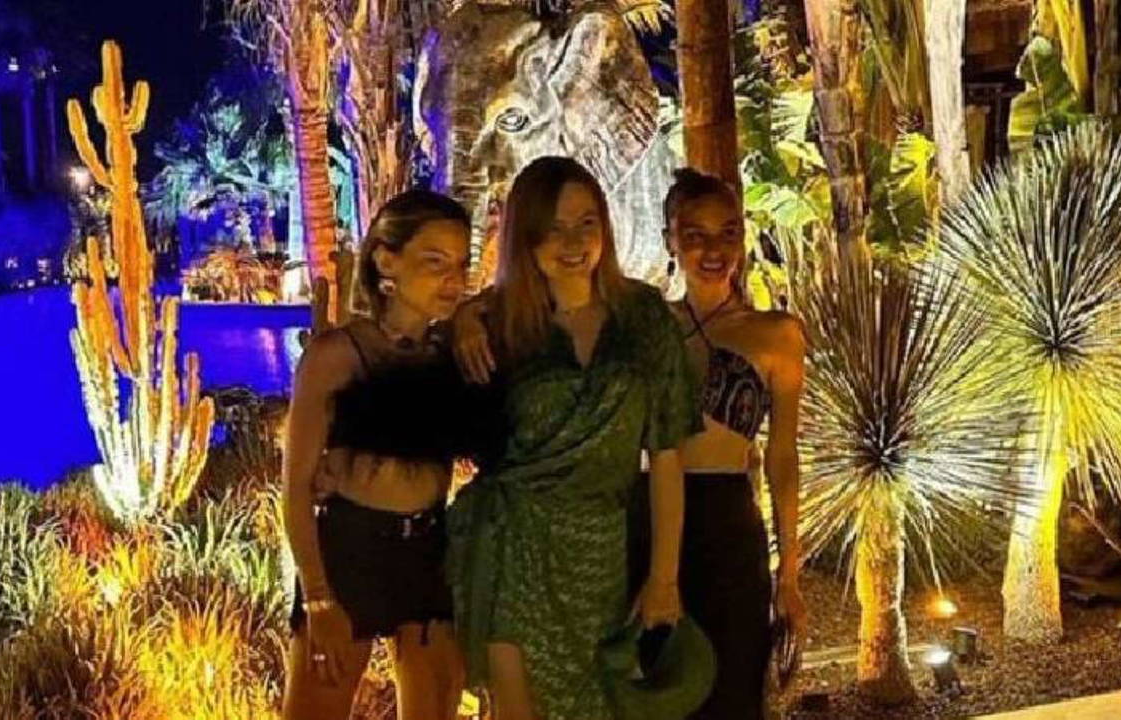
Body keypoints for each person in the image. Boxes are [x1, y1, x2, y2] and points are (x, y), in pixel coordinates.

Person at [448, 156, 703, 720]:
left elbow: (666, 454)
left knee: (597, 705)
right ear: (526, 235)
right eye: (555, 228)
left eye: (587, 223)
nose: (573, 242)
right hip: (515, 542)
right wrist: (466, 315)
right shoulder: (499, 326)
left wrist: (664, 576)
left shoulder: (643, 319)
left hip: (600, 551)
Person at [281, 190, 474, 720]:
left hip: (429, 552)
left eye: (462, 265)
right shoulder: (336, 355)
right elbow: (295, 490)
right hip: (351, 552)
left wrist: (473, 319)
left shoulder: (451, 352)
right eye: (435, 262)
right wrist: (318, 598)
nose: (453, 280)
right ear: (387, 261)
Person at [631, 168, 807, 719]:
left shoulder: (776, 334)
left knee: (732, 687)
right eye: (695, 235)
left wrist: (790, 573)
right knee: (651, 689)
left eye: (728, 232)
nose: (713, 250)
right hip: (646, 517)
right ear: (670, 240)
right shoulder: (645, 324)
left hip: (728, 522)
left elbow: (782, 458)